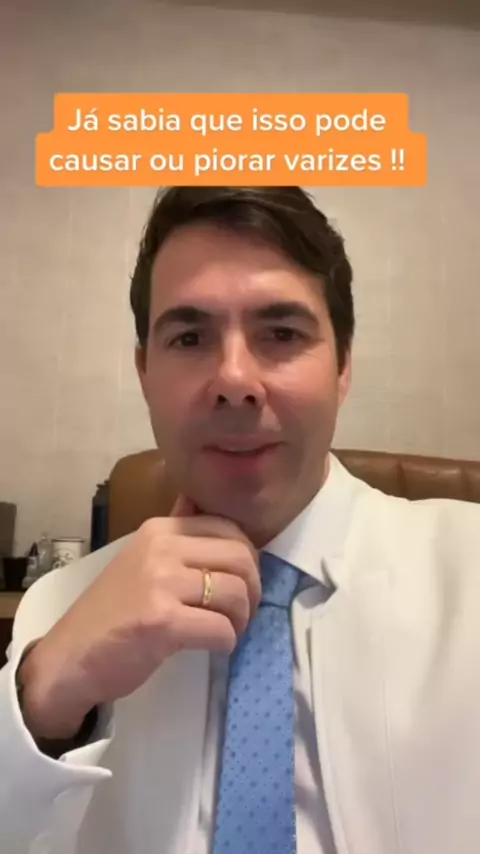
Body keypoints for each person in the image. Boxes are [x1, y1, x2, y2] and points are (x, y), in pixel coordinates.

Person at [1, 186, 480, 854]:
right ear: (144, 373)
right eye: (189, 337)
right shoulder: (58, 608)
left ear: (343, 365)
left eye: (281, 333)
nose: (234, 380)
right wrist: (40, 703)